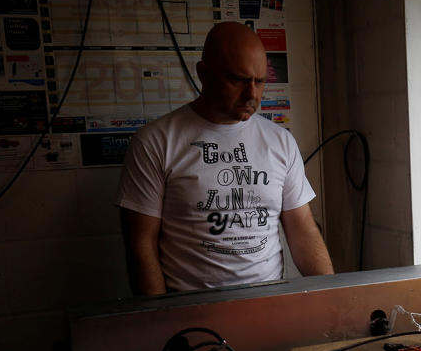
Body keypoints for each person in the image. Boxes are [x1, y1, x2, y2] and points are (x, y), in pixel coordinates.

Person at [115, 22, 334, 296]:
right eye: (238, 79)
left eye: (260, 81)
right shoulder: (155, 142)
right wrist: (159, 319)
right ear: (203, 74)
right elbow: (140, 244)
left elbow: (304, 231)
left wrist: (331, 297)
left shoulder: (280, 141)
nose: (252, 94)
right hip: (191, 312)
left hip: (267, 305)